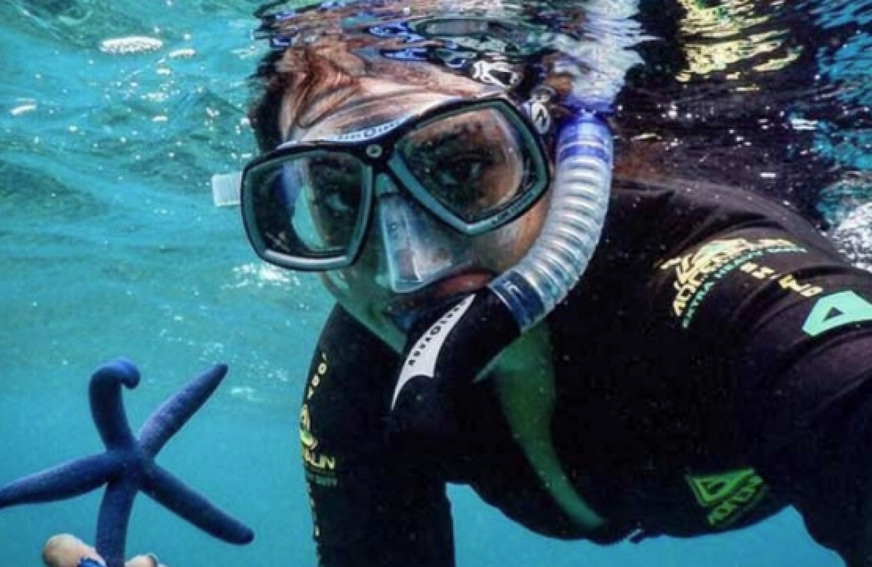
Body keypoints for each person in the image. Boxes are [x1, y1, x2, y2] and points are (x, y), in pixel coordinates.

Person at [45, 1, 872, 566]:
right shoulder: (359, 382)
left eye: (464, 167)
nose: (411, 266)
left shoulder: (707, 280)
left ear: (553, 157)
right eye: (337, 198)